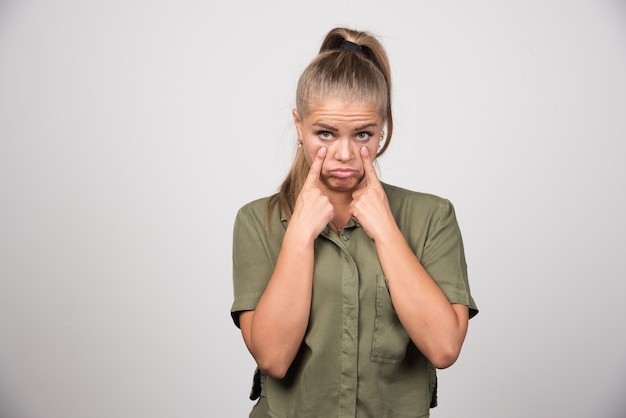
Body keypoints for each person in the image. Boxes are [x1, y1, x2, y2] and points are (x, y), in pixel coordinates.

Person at [230, 27, 478, 418]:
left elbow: (444, 348)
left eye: (363, 134)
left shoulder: (433, 216)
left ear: (383, 128)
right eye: (325, 133)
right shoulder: (257, 220)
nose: (344, 154)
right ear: (299, 126)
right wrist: (298, 237)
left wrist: (386, 231)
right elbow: (274, 359)